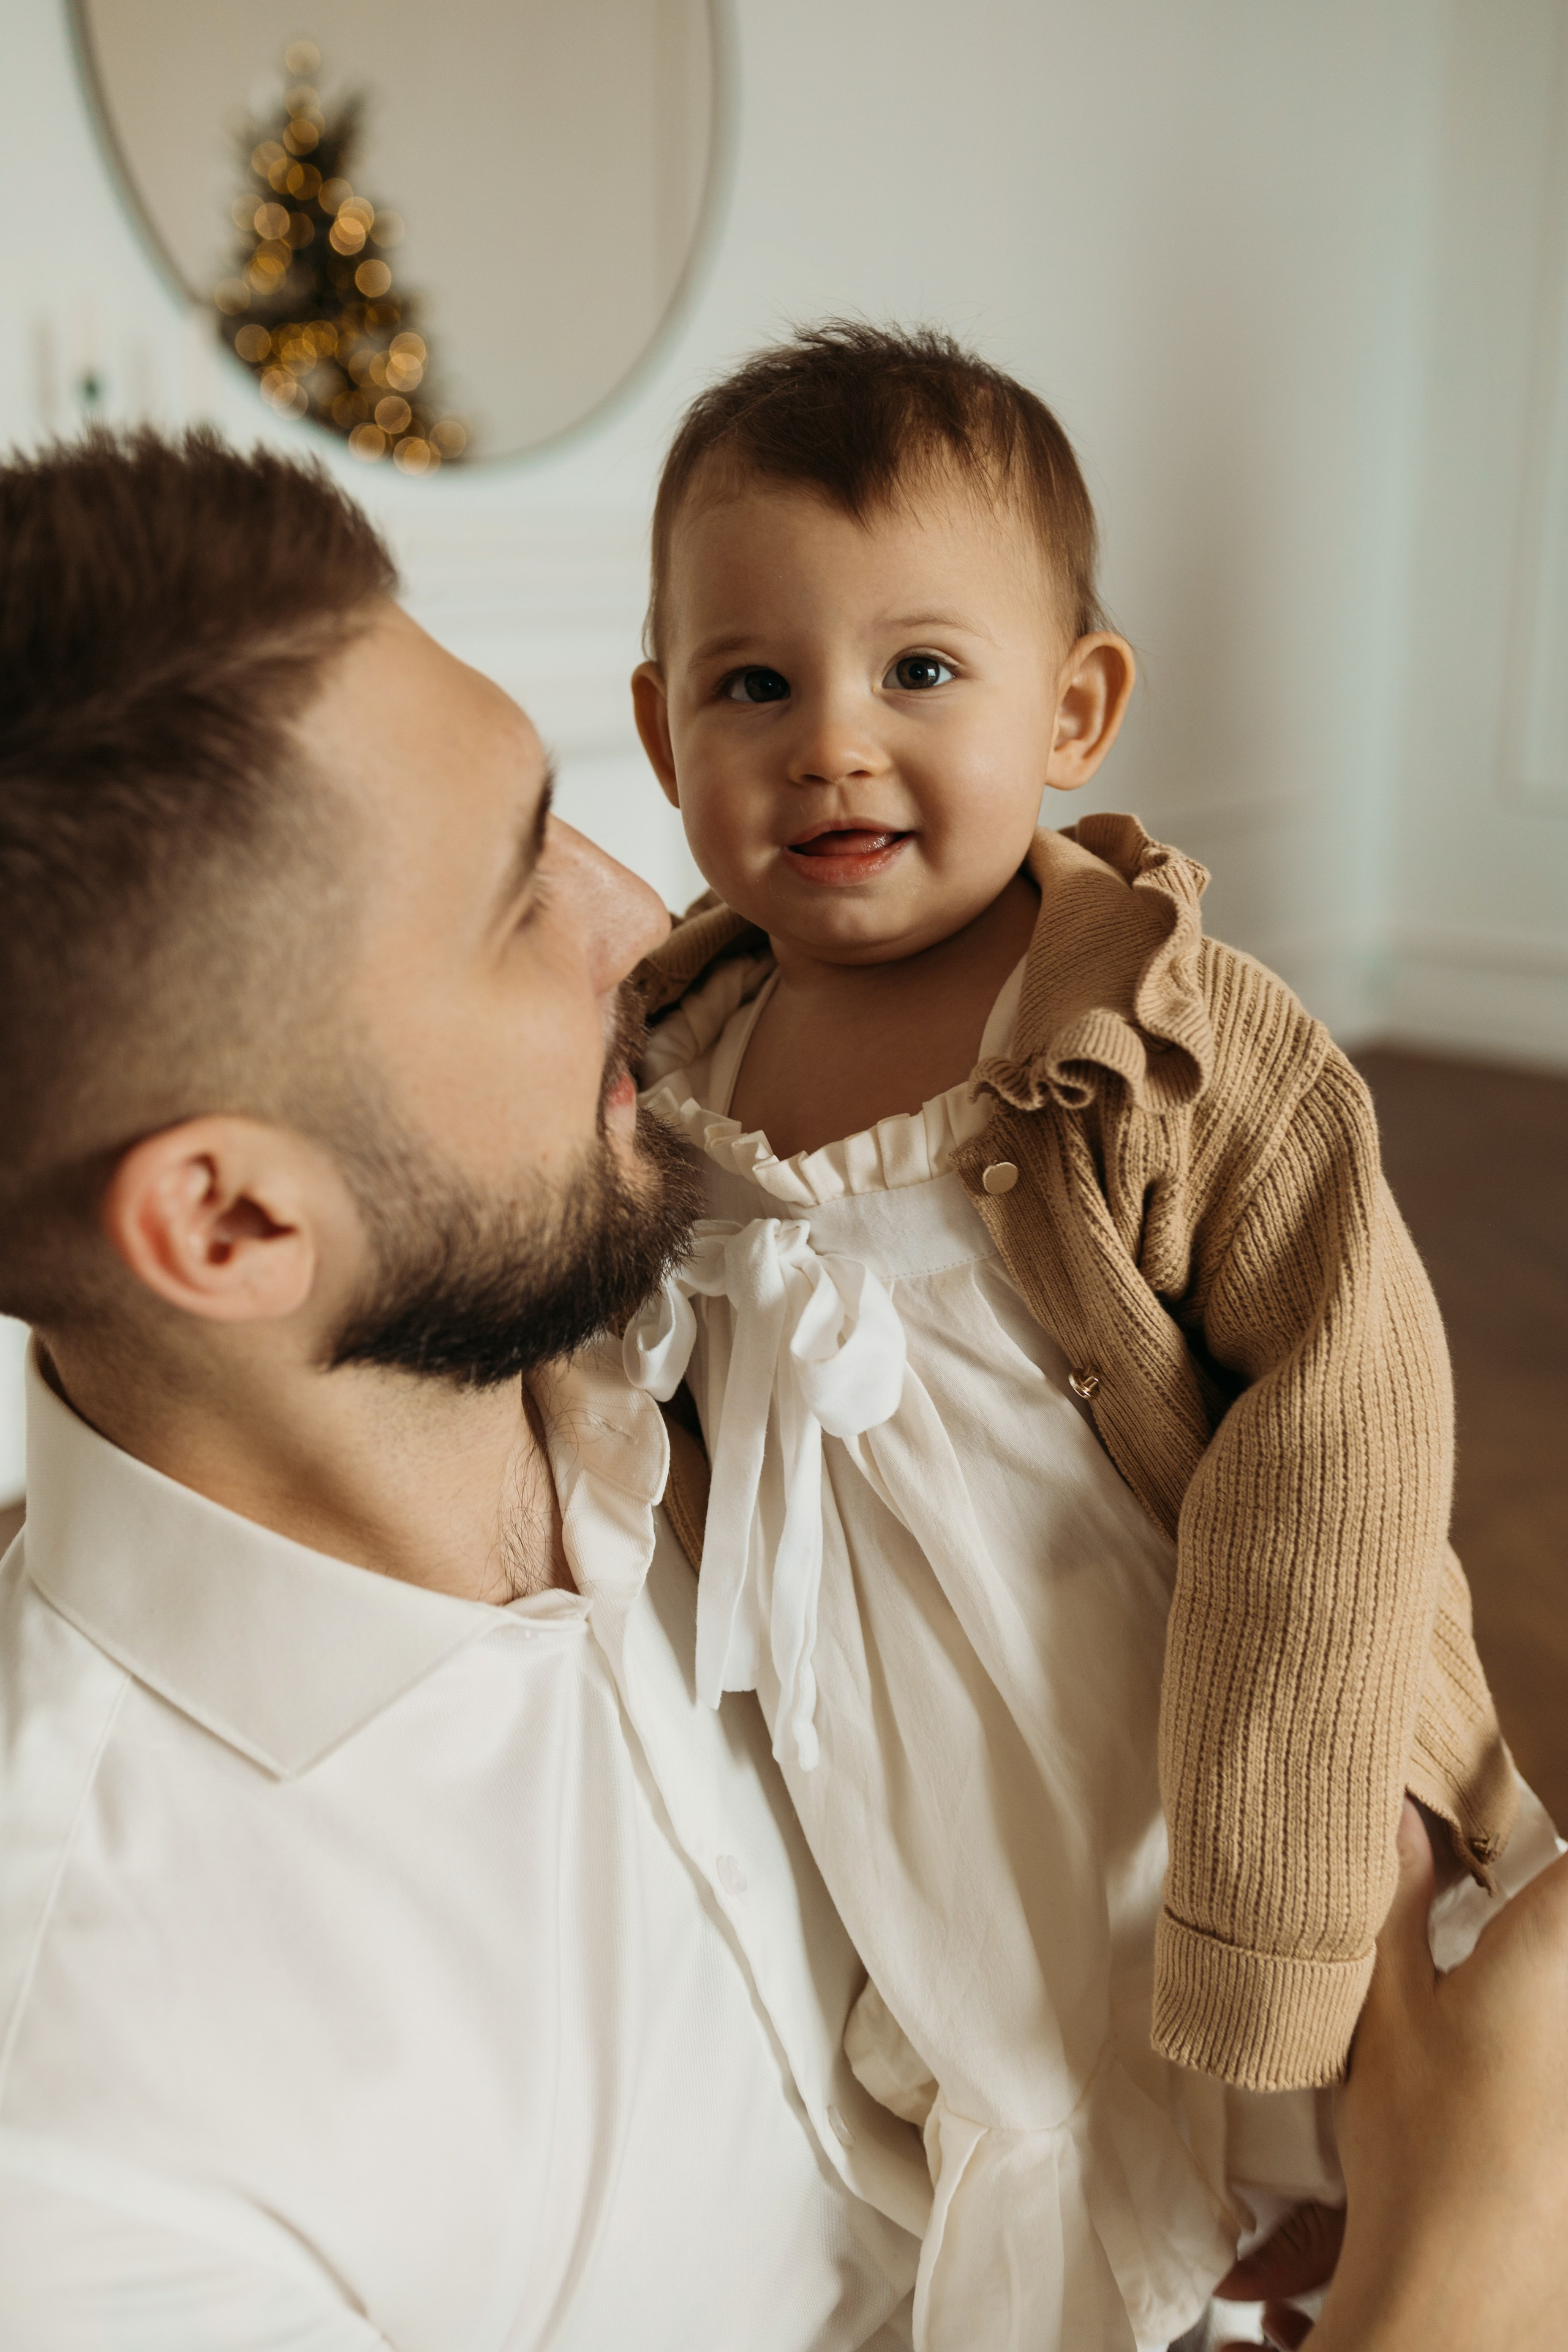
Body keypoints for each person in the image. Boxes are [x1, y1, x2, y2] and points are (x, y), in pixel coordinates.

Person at [0, 430, 1562, 2352]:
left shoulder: (730, 1317)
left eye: (562, 813)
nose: (639, 912)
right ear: (232, 1220)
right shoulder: (91, 2154)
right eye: (510, 901)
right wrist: (1474, 2261)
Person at [625, 322, 1562, 2348]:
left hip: (1189, 1698)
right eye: (754, 684)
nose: (834, 745)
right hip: (888, 1723)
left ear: (1078, 708)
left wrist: (1275, 1902)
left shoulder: (1156, 1044)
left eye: (922, 673)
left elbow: (1346, 1425)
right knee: (1008, 2055)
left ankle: (1391, 2205)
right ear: (658, 732)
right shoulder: (668, 1063)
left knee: (1258, 2074)